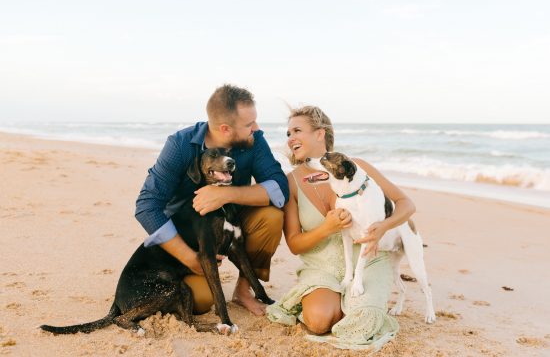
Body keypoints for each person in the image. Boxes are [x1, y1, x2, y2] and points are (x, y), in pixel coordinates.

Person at [267, 106, 416, 351]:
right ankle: (334, 300)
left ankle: (355, 302)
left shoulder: (356, 167)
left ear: (320, 134)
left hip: (368, 261)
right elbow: (294, 244)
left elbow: (406, 204)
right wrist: (327, 227)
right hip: (321, 266)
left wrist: (383, 227)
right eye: (288, 133)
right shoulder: (291, 181)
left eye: (297, 130)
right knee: (318, 320)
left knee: (364, 323)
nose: (290, 138)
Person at [135, 84, 289, 316]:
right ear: (225, 129)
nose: (256, 129)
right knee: (200, 302)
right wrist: (189, 257)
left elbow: (280, 188)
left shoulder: (253, 140)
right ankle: (196, 275)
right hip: (189, 239)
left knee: (272, 217)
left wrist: (226, 194)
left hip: (232, 223)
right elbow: (147, 205)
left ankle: (244, 291)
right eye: (249, 124)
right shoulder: (180, 145)